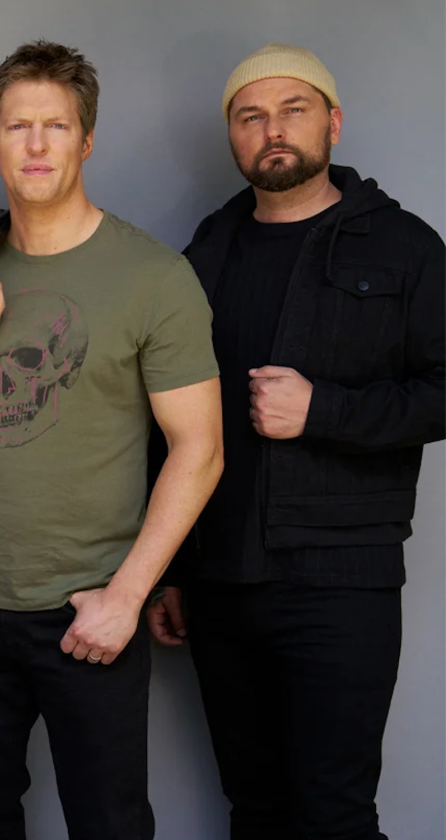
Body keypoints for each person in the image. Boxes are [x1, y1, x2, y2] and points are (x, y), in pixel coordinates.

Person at [0, 39, 223, 840]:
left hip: (91, 603)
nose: (37, 144)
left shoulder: (154, 278)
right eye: (18, 125)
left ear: (87, 141)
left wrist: (126, 597)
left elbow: (201, 449)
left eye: (56, 126)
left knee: (109, 825)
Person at [146, 43, 445, 840]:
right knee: (255, 811)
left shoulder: (405, 246)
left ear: (333, 123)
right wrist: (170, 568)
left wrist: (323, 411)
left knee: (334, 815)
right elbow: (168, 422)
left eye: (293, 110)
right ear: (233, 138)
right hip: (220, 580)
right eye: (250, 116)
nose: (271, 129)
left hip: (342, 581)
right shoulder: (206, 252)